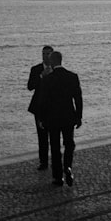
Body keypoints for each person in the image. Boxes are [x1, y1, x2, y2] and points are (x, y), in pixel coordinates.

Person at [37, 50, 83, 188]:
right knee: (69, 143)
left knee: (55, 147)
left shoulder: (47, 79)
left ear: (52, 62)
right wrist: (78, 116)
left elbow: (43, 102)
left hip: (53, 118)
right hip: (68, 116)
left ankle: (57, 177)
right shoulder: (72, 76)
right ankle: (67, 166)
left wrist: (41, 118)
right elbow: (78, 98)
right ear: (61, 61)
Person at [26, 45, 54, 171]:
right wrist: (41, 76)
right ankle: (43, 162)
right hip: (39, 107)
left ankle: (55, 160)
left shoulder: (57, 69)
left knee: (54, 135)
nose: (46, 56)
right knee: (42, 136)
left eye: (48, 54)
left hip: (54, 106)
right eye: (44, 54)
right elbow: (30, 86)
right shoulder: (36, 69)